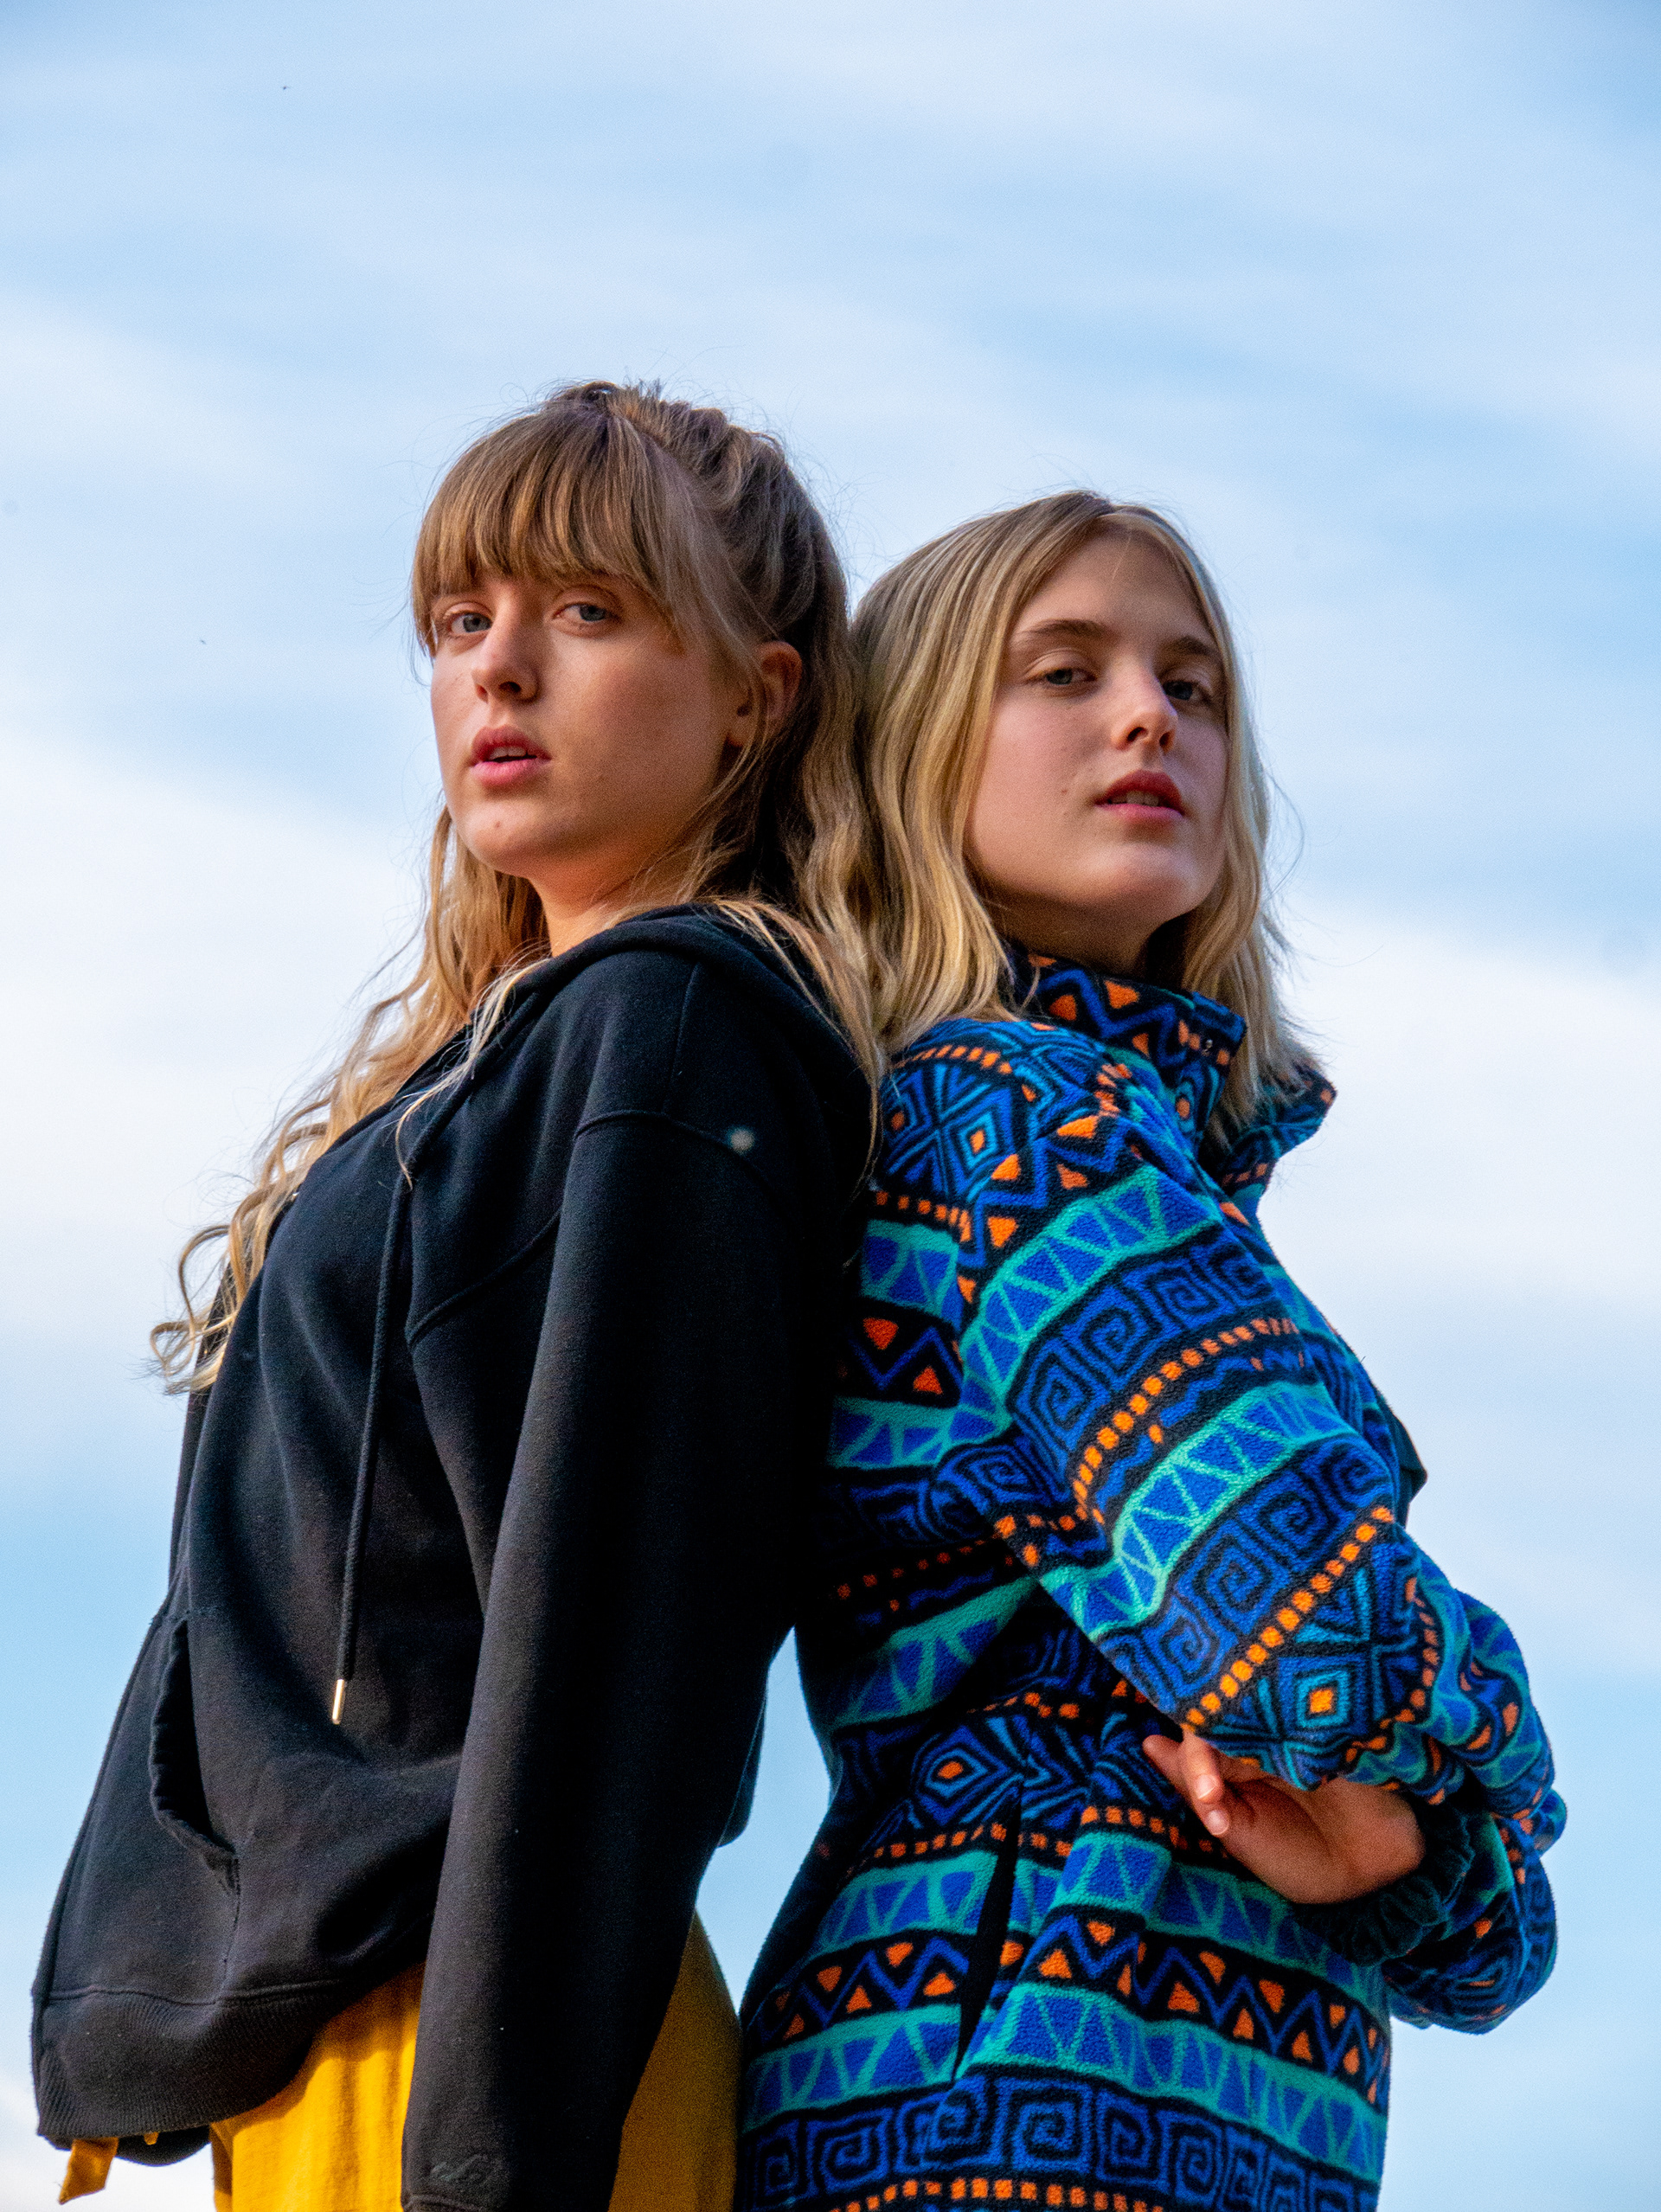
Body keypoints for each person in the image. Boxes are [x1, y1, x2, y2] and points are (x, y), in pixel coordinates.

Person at [35, 381, 876, 2212]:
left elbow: (608, 1642)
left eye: (587, 610)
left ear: (758, 696)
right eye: (457, 617)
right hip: (373, 2044)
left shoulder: (673, 1029)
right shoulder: (492, 1074)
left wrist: (496, 2154)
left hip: (485, 2055)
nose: (499, 667)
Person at [739, 492, 1562, 2212]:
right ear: (907, 743)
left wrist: (1408, 1835)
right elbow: (1308, 1622)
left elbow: (1478, 1943)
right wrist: (1495, 1764)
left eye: (1196, 688)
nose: (1149, 719)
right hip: (1006, 2097)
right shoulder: (1015, 1121)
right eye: (1066, 671)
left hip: (1094, 2105)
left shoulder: (1136, 1151)